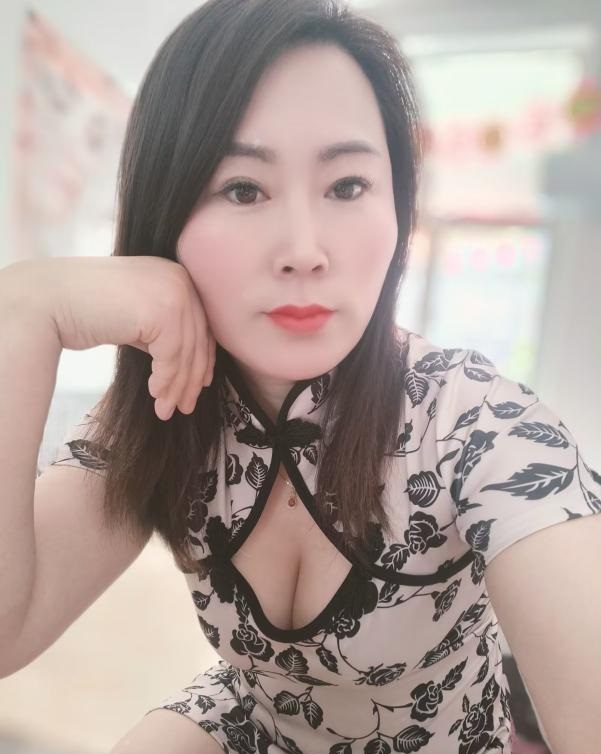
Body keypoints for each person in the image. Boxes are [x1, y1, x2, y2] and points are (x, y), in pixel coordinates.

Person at [1, 1, 600, 753]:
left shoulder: (477, 427)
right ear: (165, 214)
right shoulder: (165, 405)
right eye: (243, 189)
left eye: (346, 186)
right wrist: (24, 311)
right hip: (252, 714)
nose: (304, 250)